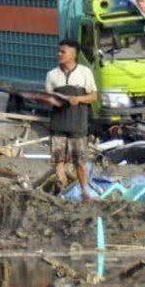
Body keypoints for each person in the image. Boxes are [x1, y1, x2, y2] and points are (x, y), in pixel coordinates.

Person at [46, 39, 98, 200]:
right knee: (58, 162)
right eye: (59, 51)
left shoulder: (85, 73)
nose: (59, 54)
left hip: (78, 125)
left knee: (80, 162)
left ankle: (84, 192)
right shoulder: (52, 75)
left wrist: (78, 99)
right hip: (58, 125)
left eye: (63, 52)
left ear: (73, 55)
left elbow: (93, 96)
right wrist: (51, 100)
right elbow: (48, 97)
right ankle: (61, 193)